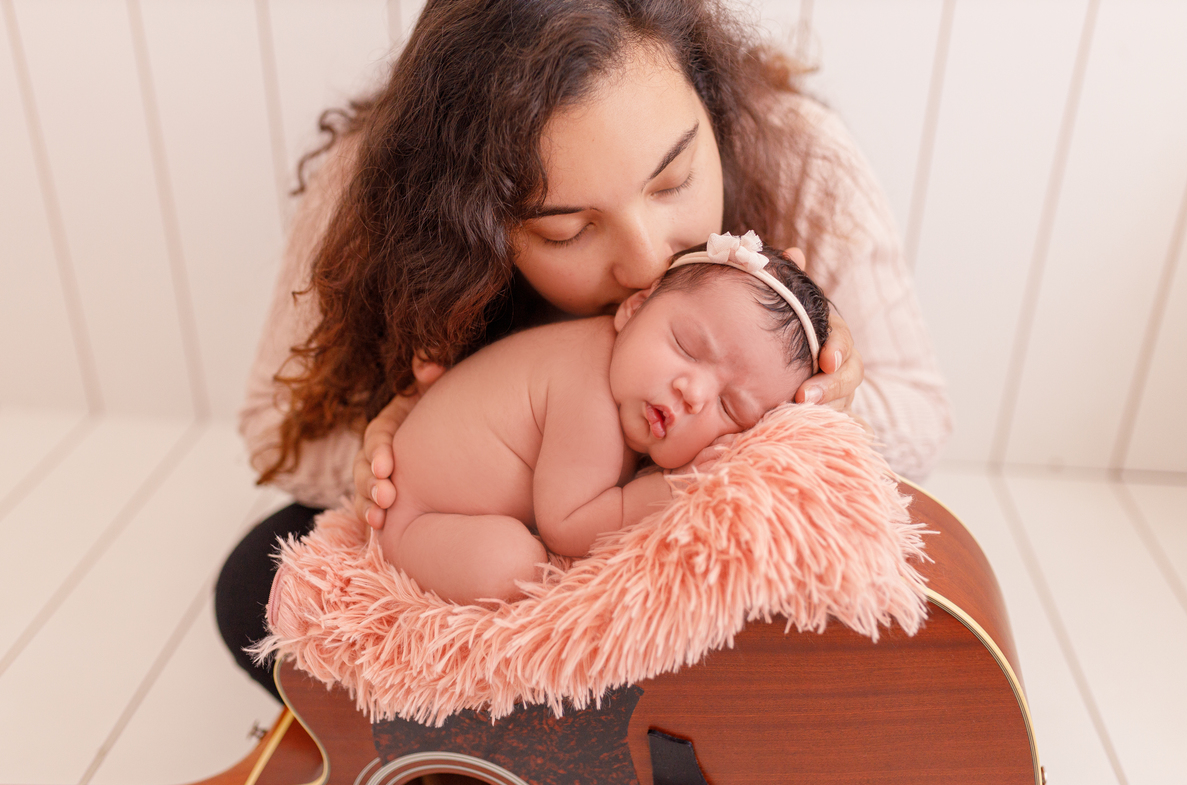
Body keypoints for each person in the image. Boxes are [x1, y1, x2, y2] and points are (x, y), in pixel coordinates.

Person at [218, 0, 951, 701]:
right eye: (567, 231)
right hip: (475, 526)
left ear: (708, 97)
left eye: (674, 182)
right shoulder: (371, 184)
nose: (642, 264)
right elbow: (269, 425)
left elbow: (921, 417)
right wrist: (378, 449)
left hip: (615, 540)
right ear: (467, 222)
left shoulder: (798, 153)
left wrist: (809, 408)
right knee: (257, 584)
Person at [376, 234, 829, 604]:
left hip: (437, 505)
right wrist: (681, 483)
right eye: (687, 347)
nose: (693, 393)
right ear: (634, 308)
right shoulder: (587, 388)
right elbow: (568, 524)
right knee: (513, 565)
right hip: (415, 520)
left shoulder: (623, 377)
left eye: (730, 409)